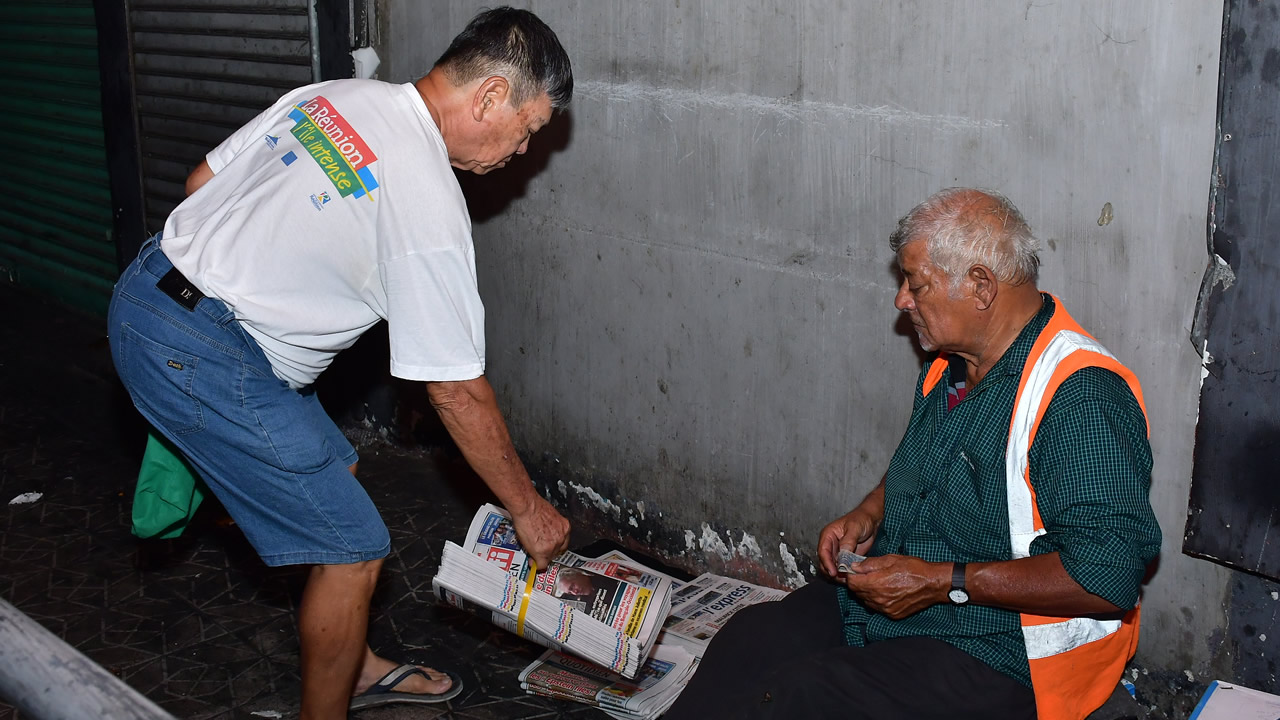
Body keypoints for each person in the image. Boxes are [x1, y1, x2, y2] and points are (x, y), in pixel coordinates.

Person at [107, 8, 574, 719]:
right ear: (489, 98)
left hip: (142, 293)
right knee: (354, 548)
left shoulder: (336, 98)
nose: (521, 151)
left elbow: (202, 182)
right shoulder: (428, 200)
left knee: (337, 470)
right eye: (529, 128)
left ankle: (354, 669)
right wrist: (528, 509)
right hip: (202, 351)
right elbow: (454, 390)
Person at [663, 188, 1161, 720]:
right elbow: (929, 467)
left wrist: (938, 581)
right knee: (751, 640)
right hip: (917, 601)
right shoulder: (954, 363)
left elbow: (1109, 573)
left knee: (805, 696)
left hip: (1007, 651)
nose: (902, 299)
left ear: (980, 287)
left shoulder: (1079, 396)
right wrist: (870, 512)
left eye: (915, 284)